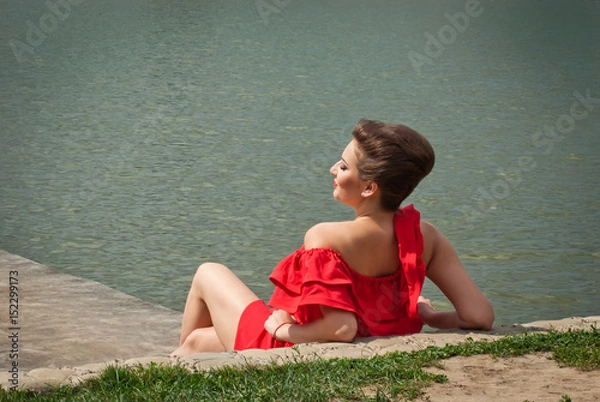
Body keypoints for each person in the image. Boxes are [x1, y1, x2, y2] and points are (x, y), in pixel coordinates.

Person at [171, 119, 494, 356]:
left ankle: (167, 370)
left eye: (342, 166)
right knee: (197, 343)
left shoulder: (325, 236)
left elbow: (341, 328)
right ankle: (176, 363)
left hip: (286, 345)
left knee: (208, 272)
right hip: (356, 341)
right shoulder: (426, 236)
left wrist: (283, 329)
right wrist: (428, 315)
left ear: (369, 188)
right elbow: (478, 315)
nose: (331, 170)